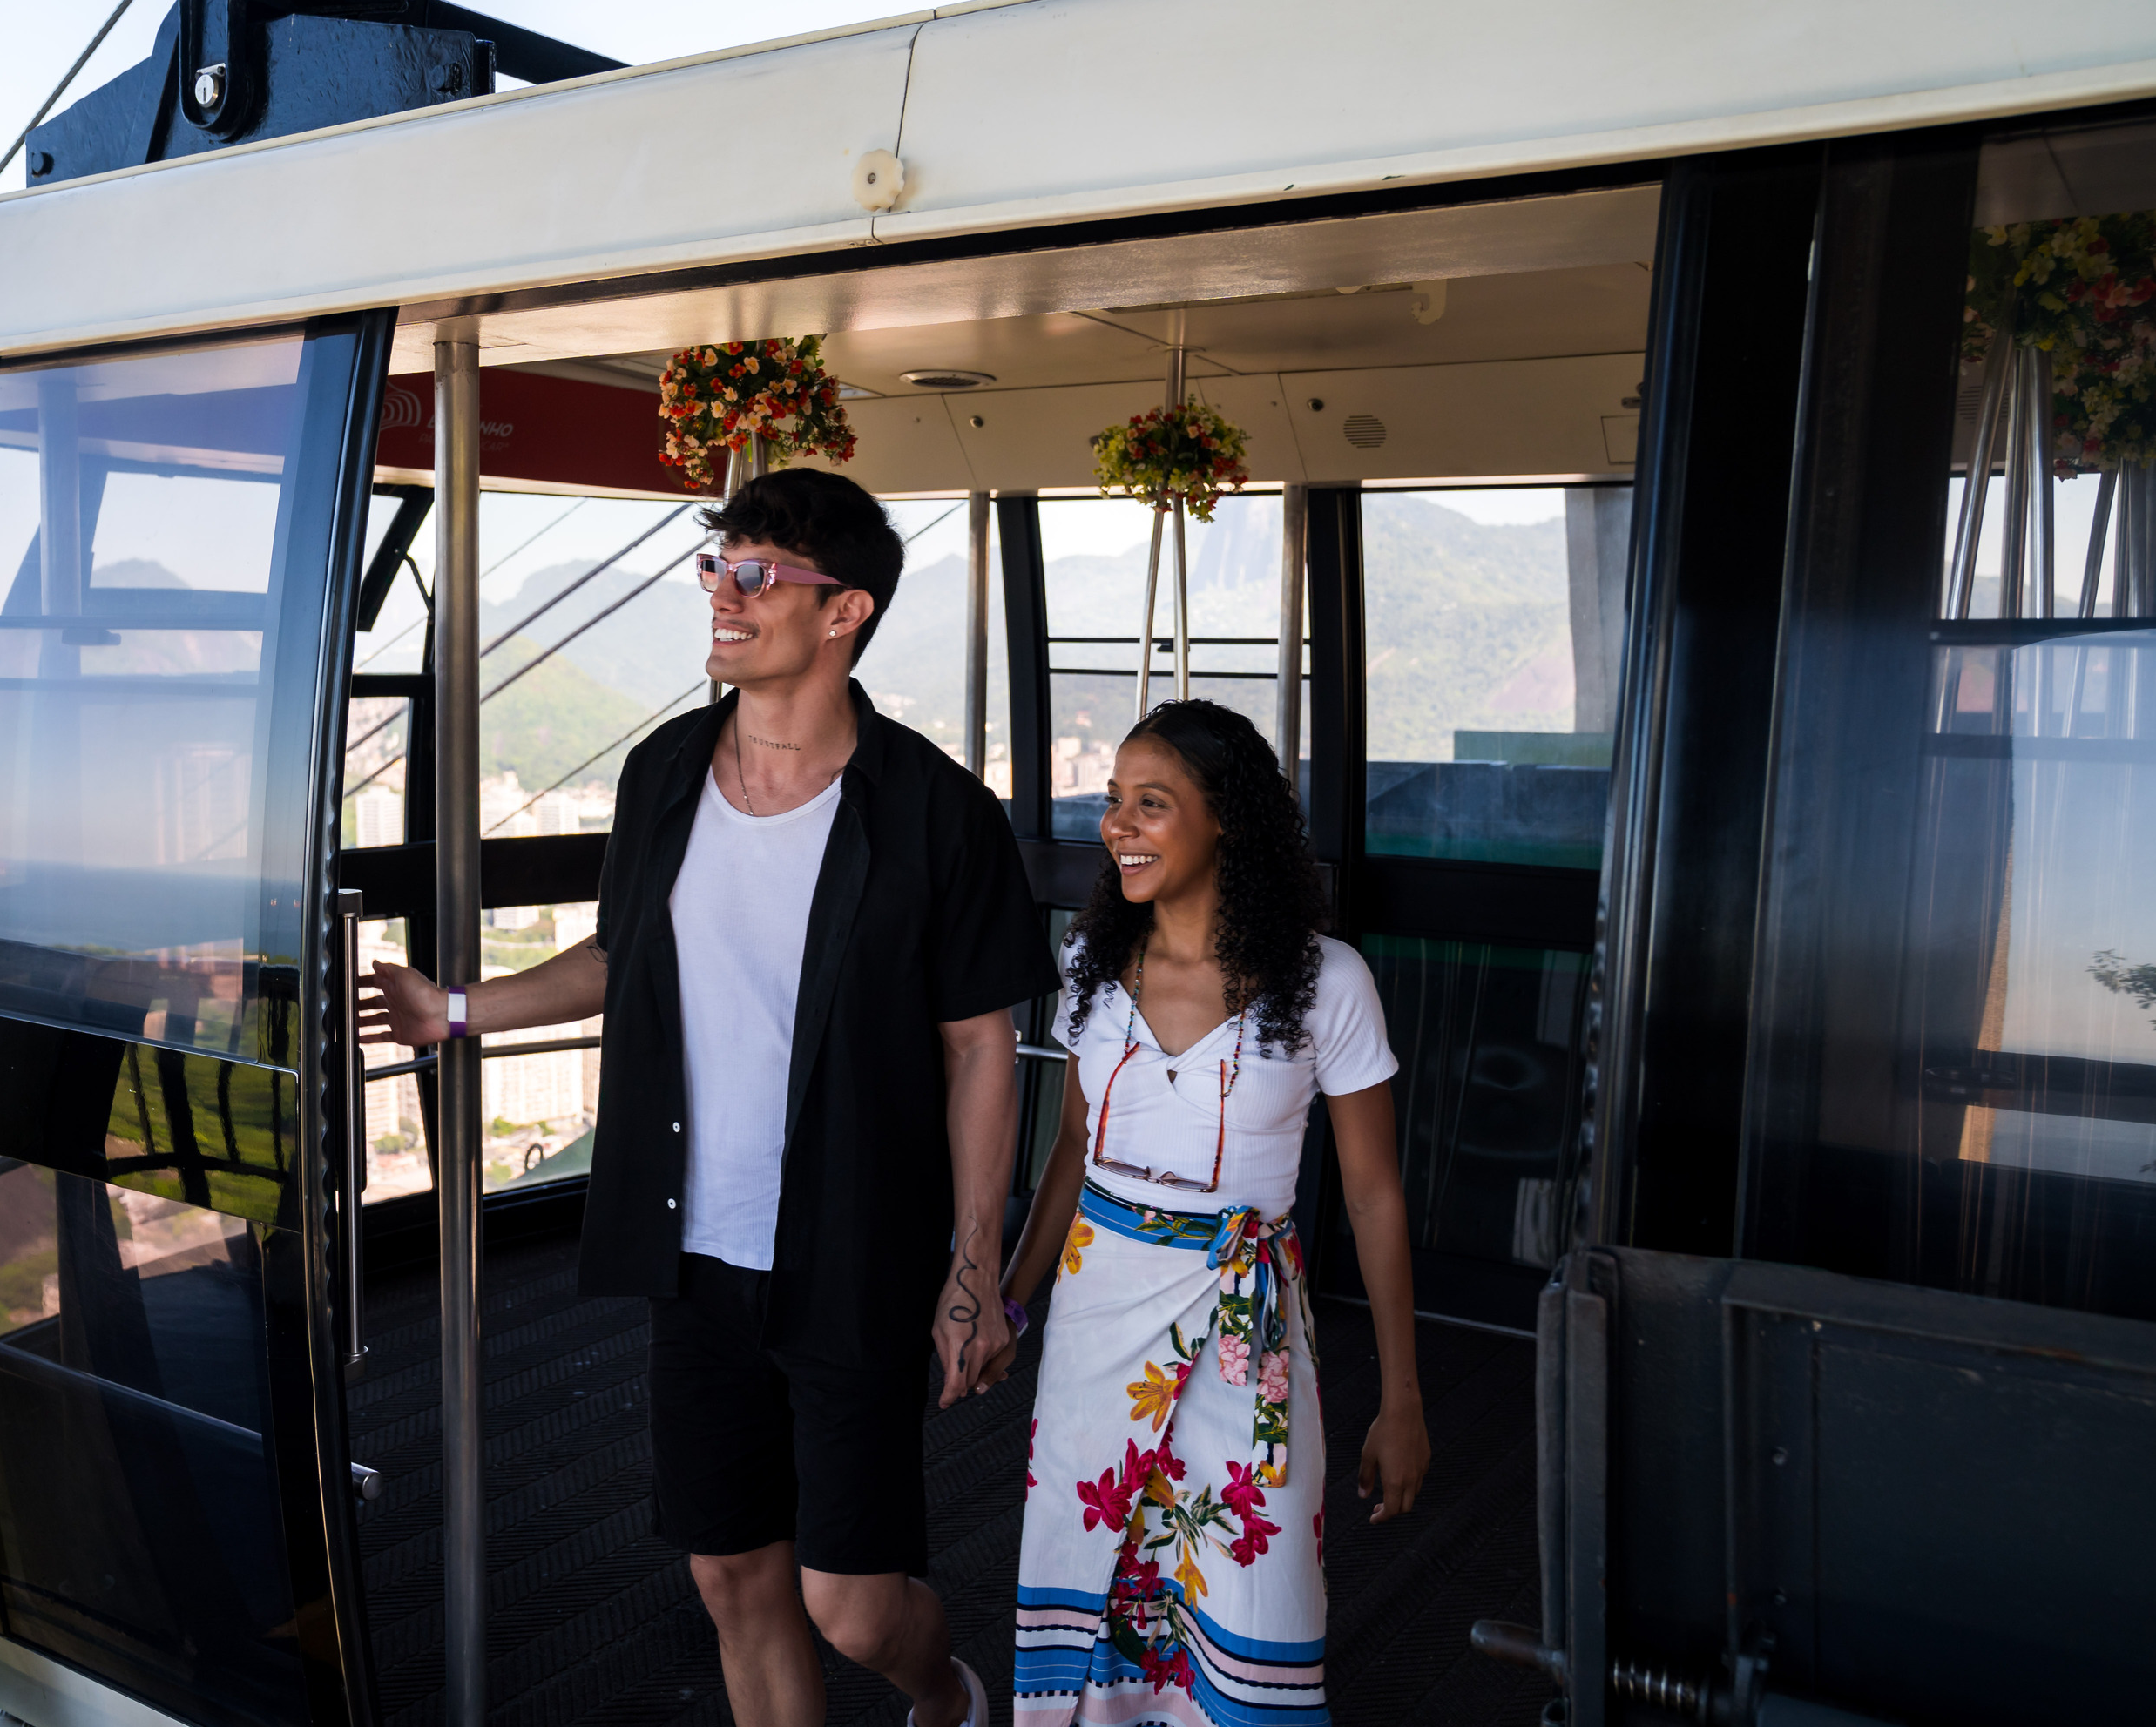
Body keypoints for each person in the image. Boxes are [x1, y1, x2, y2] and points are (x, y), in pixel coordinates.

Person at [360, 468, 1058, 1727]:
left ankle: (948, 1695)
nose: (722, 598)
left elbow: (978, 1046)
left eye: (755, 575)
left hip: (854, 1255)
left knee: (852, 1604)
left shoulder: (933, 808)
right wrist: (456, 1010)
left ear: (843, 611)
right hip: (694, 1252)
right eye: (715, 568)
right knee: (732, 1574)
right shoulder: (664, 770)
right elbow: (623, 956)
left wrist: (974, 1267)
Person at [990, 699, 1430, 1727]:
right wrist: (1008, 1302)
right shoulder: (1092, 964)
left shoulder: (1328, 982)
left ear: (1225, 816)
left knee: (1255, 1588)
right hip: (1095, 1327)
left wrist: (1402, 1398)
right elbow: (1072, 1148)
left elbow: (1373, 1192)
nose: (1120, 825)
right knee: (1091, 1581)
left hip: (1247, 1334)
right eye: (1114, 801)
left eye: (1152, 802)